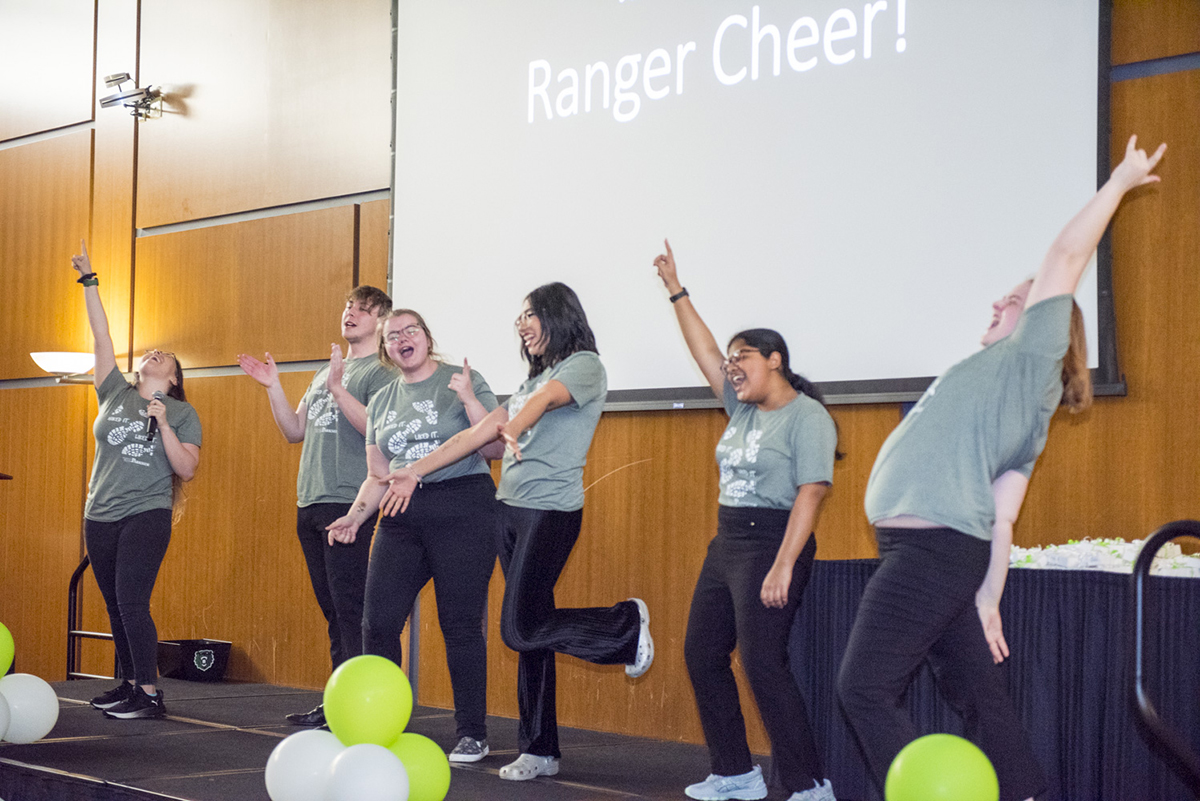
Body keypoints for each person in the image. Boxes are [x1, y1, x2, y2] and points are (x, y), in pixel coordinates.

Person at [837, 135, 1167, 801]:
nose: (998, 302)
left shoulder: (1028, 356)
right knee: (981, 701)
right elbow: (1004, 515)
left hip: (929, 552)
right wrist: (986, 598)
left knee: (863, 686)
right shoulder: (1013, 399)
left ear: (1046, 322)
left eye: (1015, 299)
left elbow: (1066, 254)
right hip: (944, 555)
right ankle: (1024, 791)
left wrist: (1121, 182)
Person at [379, 282, 653, 781]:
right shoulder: (535, 376)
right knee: (533, 631)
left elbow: (544, 403)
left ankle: (624, 627)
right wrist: (416, 469)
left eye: (531, 315)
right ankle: (539, 748)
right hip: (509, 510)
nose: (522, 324)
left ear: (558, 315)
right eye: (519, 318)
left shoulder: (583, 366)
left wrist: (513, 428)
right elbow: (472, 435)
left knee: (519, 628)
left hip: (549, 513)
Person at [654, 241, 839, 801]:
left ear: (774, 359)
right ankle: (735, 772)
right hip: (727, 540)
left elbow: (812, 492)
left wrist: (784, 565)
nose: (731, 367)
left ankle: (810, 786)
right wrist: (675, 291)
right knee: (701, 653)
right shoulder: (739, 408)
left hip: (772, 542)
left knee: (762, 663)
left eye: (743, 359)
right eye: (729, 362)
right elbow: (705, 349)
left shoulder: (807, 418)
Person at [326, 309, 502, 762]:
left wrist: (467, 399)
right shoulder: (383, 399)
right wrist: (355, 516)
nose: (403, 339)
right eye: (393, 336)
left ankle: (472, 733)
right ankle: (382, 722)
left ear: (426, 337)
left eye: (411, 331)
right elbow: (376, 475)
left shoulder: (462, 378)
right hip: (402, 513)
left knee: (459, 624)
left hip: (464, 505)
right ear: (386, 350)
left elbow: (495, 446)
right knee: (377, 622)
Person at [237, 285, 393, 727]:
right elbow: (293, 430)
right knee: (332, 609)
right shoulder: (326, 370)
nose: (352, 315)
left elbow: (377, 431)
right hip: (311, 499)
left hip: (350, 502)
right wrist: (273, 387)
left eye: (364, 310)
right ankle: (336, 703)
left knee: (350, 609)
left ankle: (359, 707)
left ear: (380, 322)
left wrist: (340, 388)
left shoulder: (380, 373)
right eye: (349, 307)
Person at [71, 241, 203, 720]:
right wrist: (90, 281)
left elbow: (186, 468)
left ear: (172, 380)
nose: (154, 354)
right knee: (113, 604)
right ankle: (127, 684)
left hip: (146, 512)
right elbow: (101, 336)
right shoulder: (113, 391)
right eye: (150, 352)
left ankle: (149, 692)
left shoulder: (183, 413)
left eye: (164, 357)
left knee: (132, 599)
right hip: (99, 513)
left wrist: (164, 423)